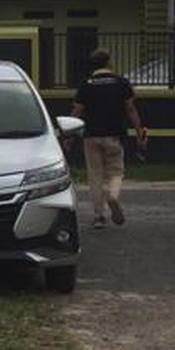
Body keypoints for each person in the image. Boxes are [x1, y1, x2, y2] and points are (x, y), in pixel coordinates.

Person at [70, 49, 147, 228]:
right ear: (109, 62)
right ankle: (112, 196)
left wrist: (69, 136)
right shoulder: (121, 83)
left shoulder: (86, 84)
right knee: (116, 172)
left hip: (91, 137)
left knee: (95, 176)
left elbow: (77, 111)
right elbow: (131, 110)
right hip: (114, 135)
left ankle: (98, 216)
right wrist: (139, 133)